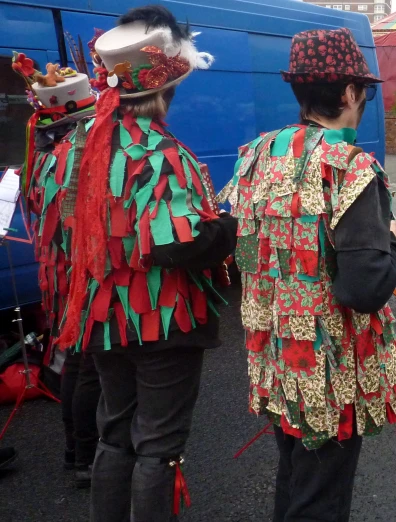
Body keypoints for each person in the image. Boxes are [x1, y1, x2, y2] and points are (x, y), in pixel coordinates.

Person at [50, 6, 237, 521]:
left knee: (115, 433)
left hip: (100, 316)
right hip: (164, 321)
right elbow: (177, 242)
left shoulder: (75, 144)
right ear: (164, 88)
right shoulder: (159, 150)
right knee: (157, 444)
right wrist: (227, 227)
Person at [226, 27, 396, 522]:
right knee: (320, 496)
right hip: (328, 368)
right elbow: (365, 287)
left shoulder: (257, 154)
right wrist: (391, 235)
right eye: (365, 92)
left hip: (277, 353)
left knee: (294, 475)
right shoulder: (350, 166)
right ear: (350, 93)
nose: (365, 100)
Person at [11, 52, 102, 489]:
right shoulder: (79, 156)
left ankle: (77, 450)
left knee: (71, 362)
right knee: (86, 366)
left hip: (59, 277)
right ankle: (84, 456)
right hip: (83, 275)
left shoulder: (41, 159)